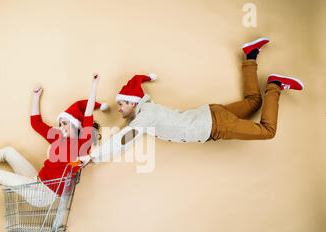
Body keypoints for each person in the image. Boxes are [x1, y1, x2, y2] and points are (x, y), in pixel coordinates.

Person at [78, 37, 305, 166]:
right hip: (212, 113)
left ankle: (274, 86)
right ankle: (251, 55)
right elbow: (123, 136)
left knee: (267, 131)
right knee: (254, 102)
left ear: (134, 102)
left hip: (214, 124)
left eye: (122, 104)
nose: (118, 108)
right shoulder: (146, 112)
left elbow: (121, 141)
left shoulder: (144, 117)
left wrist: (92, 157)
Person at [0, 74, 107, 232]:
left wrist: (94, 86)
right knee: (9, 152)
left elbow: (88, 115)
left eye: (65, 123)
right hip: (38, 181)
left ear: (76, 126)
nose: (61, 127)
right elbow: (36, 124)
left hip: (44, 193)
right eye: (60, 123)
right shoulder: (58, 137)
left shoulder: (82, 145)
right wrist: (35, 97)